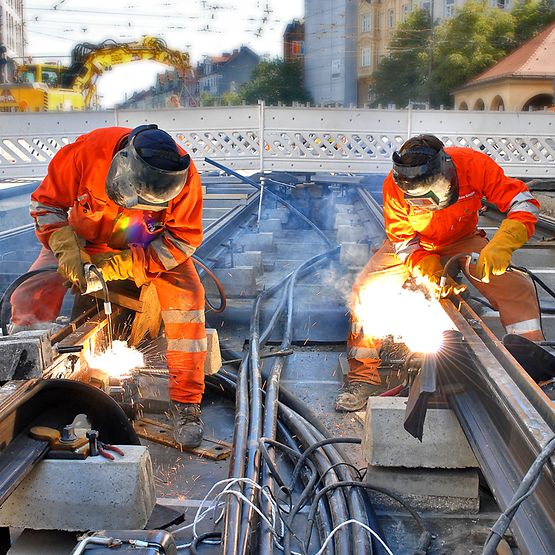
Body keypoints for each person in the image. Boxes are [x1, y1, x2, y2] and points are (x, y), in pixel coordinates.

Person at [10, 124, 207, 447]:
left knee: (188, 298)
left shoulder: (184, 178)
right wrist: (64, 246)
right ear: (122, 161)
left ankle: (186, 404)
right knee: (31, 292)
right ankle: (24, 378)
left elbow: (182, 240)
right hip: (84, 242)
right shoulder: (87, 152)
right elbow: (45, 205)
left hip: (146, 249)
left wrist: (124, 264)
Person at [335, 134, 542, 412]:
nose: (429, 205)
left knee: (517, 288)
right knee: (365, 292)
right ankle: (363, 377)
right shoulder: (394, 186)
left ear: (447, 172)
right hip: (418, 244)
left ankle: (534, 370)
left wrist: (504, 243)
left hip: (463, 239)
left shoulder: (473, 164)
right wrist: (428, 270)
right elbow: (404, 241)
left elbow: (523, 202)